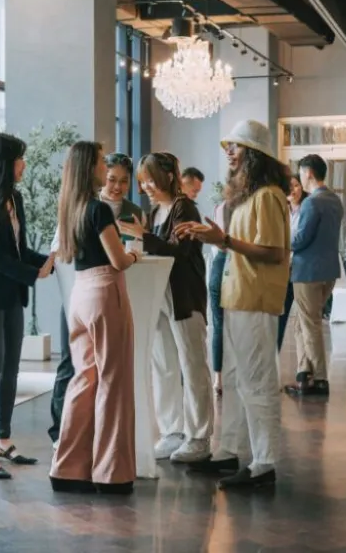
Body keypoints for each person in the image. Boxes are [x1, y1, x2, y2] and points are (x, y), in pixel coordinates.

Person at [176, 120, 289, 490]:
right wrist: (218, 238)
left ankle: (265, 463)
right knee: (240, 379)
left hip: (255, 298)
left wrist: (223, 239)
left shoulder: (268, 196)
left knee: (257, 382)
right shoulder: (248, 197)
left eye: (236, 147)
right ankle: (232, 451)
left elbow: (274, 253)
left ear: (253, 154)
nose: (229, 152)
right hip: (239, 295)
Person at [50, 141, 141, 494]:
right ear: (91, 168)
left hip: (80, 295)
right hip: (106, 293)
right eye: (103, 163)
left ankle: (68, 468)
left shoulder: (69, 208)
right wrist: (133, 254)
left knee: (84, 379)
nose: (107, 169)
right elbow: (118, 260)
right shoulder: (99, 209)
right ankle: (111, 474)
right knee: (113, 383)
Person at [119, 152, 211, 464]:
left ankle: (199, 437)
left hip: (184, 297)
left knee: (193, 365)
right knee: (165, 366)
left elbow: (181, 252)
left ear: (168, 177)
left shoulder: (184, 207)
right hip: (160, 297)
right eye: (142, 180)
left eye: (150, 179)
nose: (144, 185)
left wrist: (143, 236)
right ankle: (172, 430)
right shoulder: (157, 210)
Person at [0, 133, 53, 479]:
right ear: (5, 163)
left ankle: (2, 438)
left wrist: (48, 260)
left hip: (13, 296)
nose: (24, 165)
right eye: (19, 159)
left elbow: (18, 249)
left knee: (11, 368)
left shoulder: (15, 198)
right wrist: (32, 273)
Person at [284, 154, 344, 397]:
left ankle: (319, 378)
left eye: (300, 172)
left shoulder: (312, 203)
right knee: (302, 321)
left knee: (310, 325)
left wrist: (279, 239)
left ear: (308, 173)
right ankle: (303, 374)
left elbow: (300, 239)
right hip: (328, 270)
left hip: (307, 271)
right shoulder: (335, 200)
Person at [277, 174, 305, 350]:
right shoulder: (280, 211)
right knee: (280, 317)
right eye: (289, 186)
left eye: (296, 185)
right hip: (283, 270)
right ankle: (274, 359)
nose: (293, 190)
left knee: (303, 321)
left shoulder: (307, 209)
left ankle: (306, 367)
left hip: (302, 269)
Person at [206, 201, 227, 397]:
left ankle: (218, 378)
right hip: (232, 264)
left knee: (219, 324)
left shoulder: (220, 206)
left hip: (219, 264)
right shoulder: (246, 206)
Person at [102, 152, 146, 233]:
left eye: (124, 181)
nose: (117, 187)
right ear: (102, 177)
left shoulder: (138, 214)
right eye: (112, 180)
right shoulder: (87, 208)